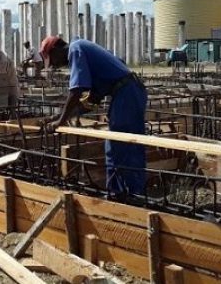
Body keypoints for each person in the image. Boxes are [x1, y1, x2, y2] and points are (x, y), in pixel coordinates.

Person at [40, 36, 147, 197]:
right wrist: (57, 117)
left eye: (52, 60)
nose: (54, 65)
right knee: (132, 144)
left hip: (126, 94)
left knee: (118, 145)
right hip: (131, 91)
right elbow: (90, 102)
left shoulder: (75, 49)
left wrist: (61, 120)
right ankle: (134, 193)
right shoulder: (84, 49)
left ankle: (120, 196)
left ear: (55, 50)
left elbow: (75, 91)